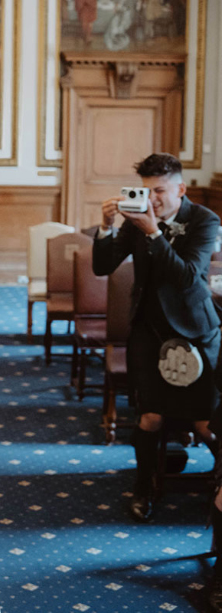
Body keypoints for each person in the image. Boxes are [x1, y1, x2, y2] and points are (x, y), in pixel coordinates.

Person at [93, 153, 221, 523]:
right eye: (146, 190)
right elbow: (103, 267)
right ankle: (143, 487)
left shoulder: (203, 220)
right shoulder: (136, 220)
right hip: (149, 332)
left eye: (160, 191)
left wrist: (152, 232)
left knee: (204, 423)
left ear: (180, 188)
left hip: (196, 332)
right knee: (150, 418)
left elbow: (186, 276)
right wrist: (106, 227)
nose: (152, 199)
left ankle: (218, 481)